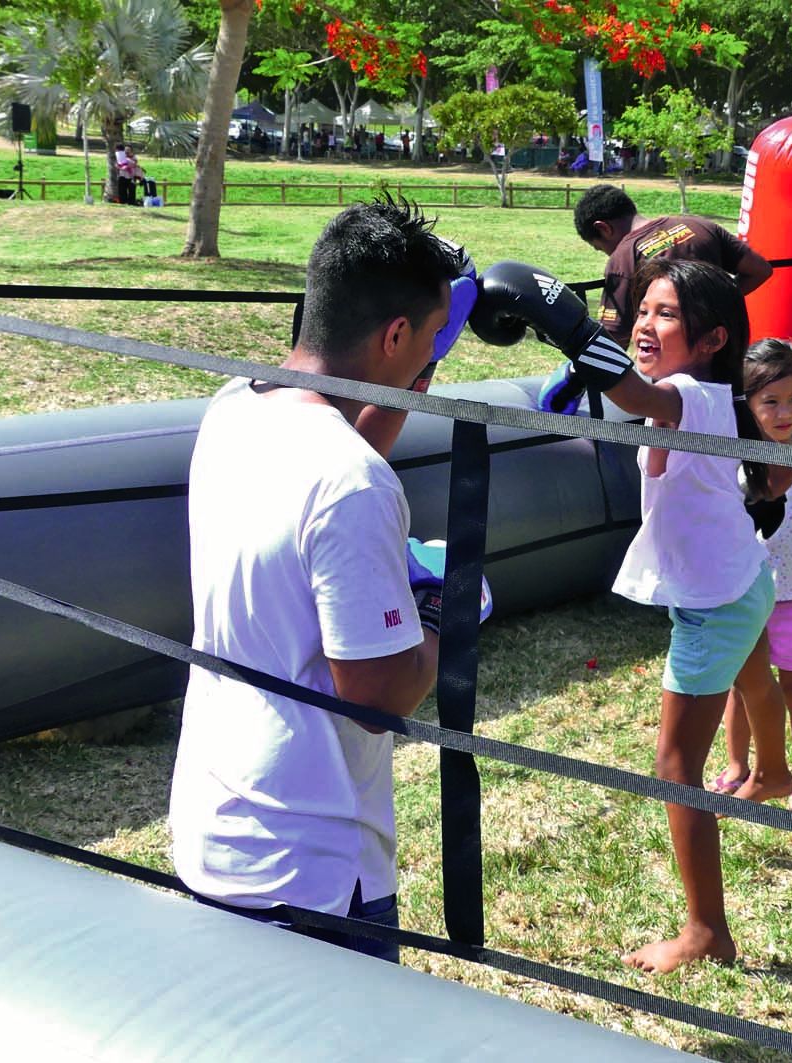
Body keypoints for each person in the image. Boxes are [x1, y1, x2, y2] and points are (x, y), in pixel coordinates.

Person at [169, 196, 478, 964]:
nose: (433, 350)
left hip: (218, 822)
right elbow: (378, 700)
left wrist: (423, 356)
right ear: (394, 334)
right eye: (429, 336)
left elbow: (340, 436)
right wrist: (443, 608)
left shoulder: (234, 406)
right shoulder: (352, 483)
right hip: (311, 867)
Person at [470, 256, 784, 974]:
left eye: (666, 314)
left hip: (716, 605)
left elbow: (636, 388)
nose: (646, 321)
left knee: (676, 764)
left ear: (710, 340)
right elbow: (629, 391)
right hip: (740, 579)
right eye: (642, 309)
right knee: (753, 683)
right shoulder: (700, 390)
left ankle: (706, 929)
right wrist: (584, 356)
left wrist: (564, 320)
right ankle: (770, 771)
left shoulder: (691, 394)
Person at [709, 339, 792, 813]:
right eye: (770, 402)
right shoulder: (732, 465)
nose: (785, 412)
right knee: (741, 687)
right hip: (742, 596)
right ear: (747, 405)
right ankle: (738, 765)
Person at [573, 183, 774, 348]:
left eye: (600, 247)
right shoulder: (700, 225)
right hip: (726, 346)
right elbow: (760, 270)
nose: (607, 253)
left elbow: (614, 339)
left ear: (604, 228)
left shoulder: (623, 258)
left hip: (677, 365)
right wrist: (716, 304)